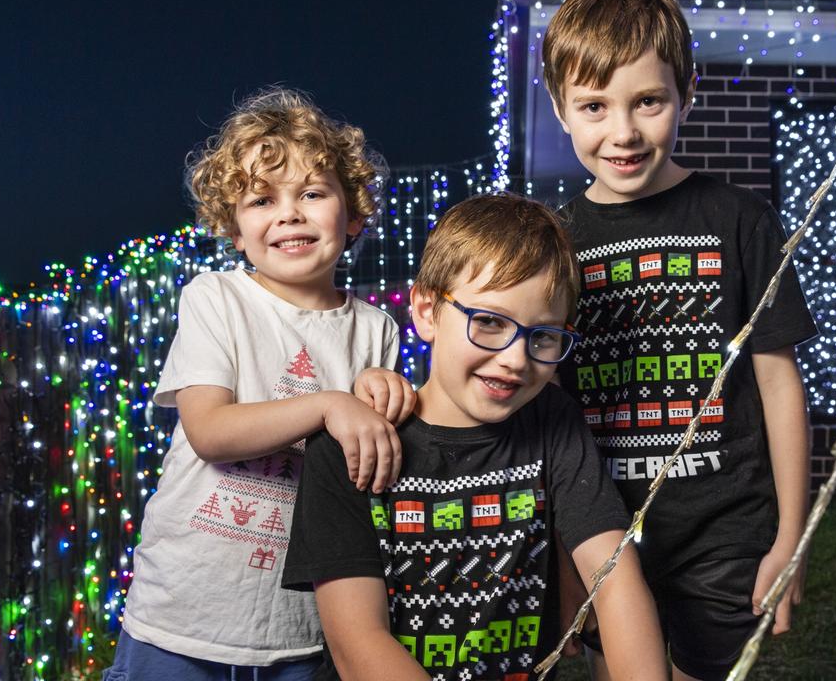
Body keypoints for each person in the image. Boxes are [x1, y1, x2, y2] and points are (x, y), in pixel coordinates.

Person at [543, 0, 820, 680]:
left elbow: (779, 384)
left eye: (648, 101)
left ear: (686, 93)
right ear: (560, 110)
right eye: (594, 106)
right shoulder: (557, 242)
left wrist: (793, 535)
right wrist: (561, 550)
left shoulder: (738, 220)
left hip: (725, 528)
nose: (623, 131)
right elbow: (547, 403)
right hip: (605, 527)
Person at [282, 193, 668, 681]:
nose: (515, 358)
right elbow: (359, 643)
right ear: (426, 310)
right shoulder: (346, 447)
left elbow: (614, 577)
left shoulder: (552, 420)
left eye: (542, 336)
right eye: (488, 322)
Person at [106, 87, 414, 681]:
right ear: (235, 231)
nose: (289, 213)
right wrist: (331, 404)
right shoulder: (215, 299)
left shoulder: (376, 330)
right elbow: (210, 432)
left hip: (302, 627)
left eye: (313, 194)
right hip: (182, 620)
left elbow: (372, 466)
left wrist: (391, 401)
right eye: (261, 200)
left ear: (351, 216)